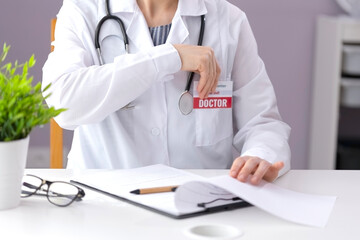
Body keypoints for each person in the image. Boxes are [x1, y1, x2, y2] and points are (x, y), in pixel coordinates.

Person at [43, 0, 291, 185]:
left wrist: (260, 155)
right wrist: (169, 57)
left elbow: (262, 123)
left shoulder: (228, 20)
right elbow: (63, 104)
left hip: (201, 205)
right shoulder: (83, 10)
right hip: (105, 205)